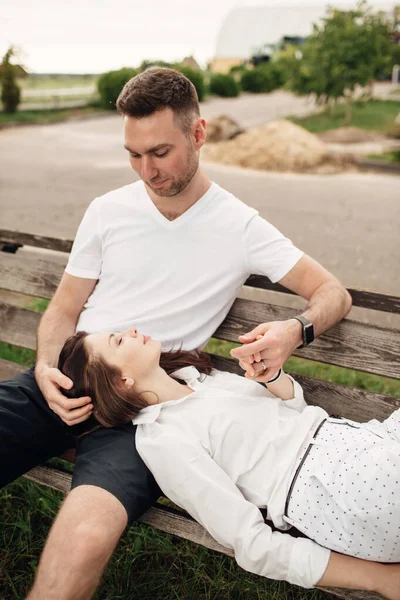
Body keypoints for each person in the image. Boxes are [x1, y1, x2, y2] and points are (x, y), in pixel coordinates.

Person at [0, 67, 352, 600]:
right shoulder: (108, 211)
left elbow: (332, 292)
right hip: (69, 378)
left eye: (160, 152)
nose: (147, 170)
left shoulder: (239, 224)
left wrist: (294, 329)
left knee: (87, 533)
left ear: (198, 134)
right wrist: (47, 368)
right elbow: (62, 309)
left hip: (148, 411)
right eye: (133, 154)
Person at [57, 326, 400, 599]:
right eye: (118, 340)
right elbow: (252, 545)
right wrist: (379, 579)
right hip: (338, 488)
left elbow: (294, 412)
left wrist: (272, 378)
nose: (131, 330)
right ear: (121, 381)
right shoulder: (162, 440)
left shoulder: (203, 379)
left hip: (362, 441)